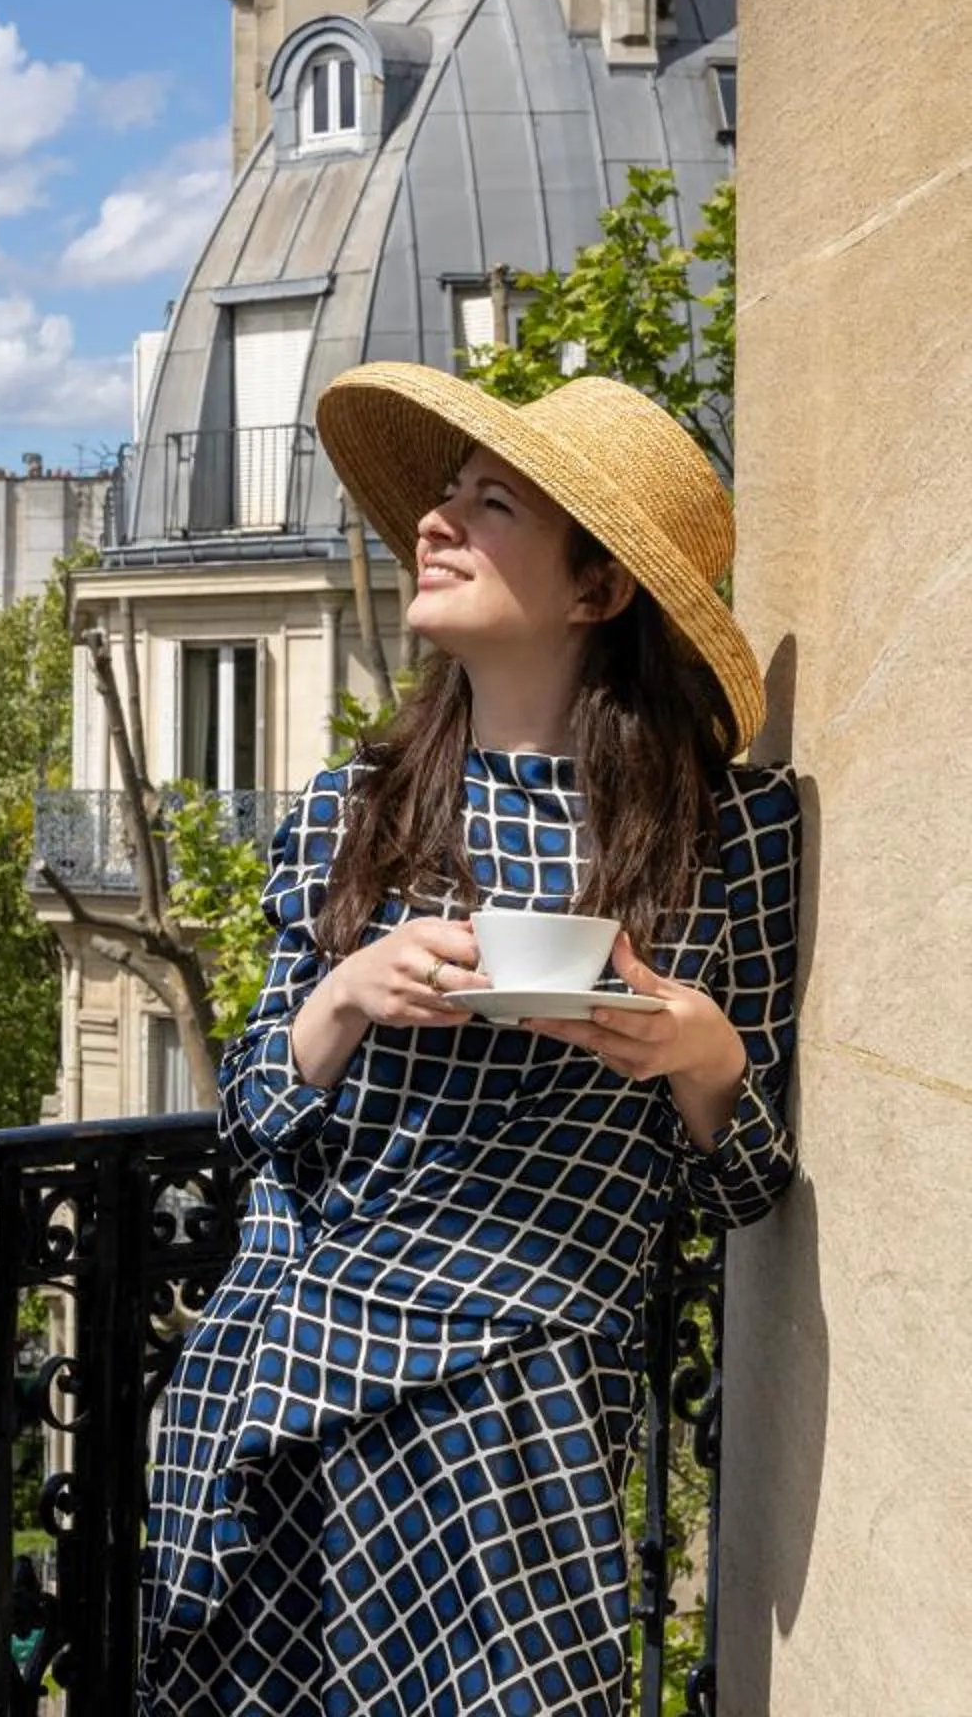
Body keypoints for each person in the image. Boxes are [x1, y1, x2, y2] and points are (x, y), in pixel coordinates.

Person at [139, 369, 799, 1715]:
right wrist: (347, 993)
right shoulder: (352, 813)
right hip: (306, 1385)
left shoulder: (737, 836)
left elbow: (747, 1187)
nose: (435, 525)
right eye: (443, 497)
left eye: (488, 504)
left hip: (537, 1417)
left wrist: (700, 1050)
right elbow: (256, 1112)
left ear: (597, 591)